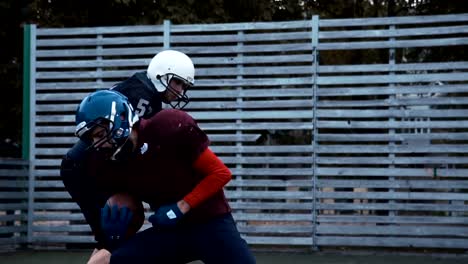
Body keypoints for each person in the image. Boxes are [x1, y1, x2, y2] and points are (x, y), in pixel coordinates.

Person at [72, 89, 255, 264]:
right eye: (92, 139)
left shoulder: (167, 127)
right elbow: (130, 210)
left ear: (120, 118)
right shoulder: (106, 162)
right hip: (171, 230)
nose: (97, 143)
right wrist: (116, 234)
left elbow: (221, 173)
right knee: (115, 259)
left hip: (210, 222)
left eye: (100, 134)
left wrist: (181, 207)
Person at [60, 50, 195, 253]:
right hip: (85, 167)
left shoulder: (143, 89)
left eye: (184, 85)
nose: (181, 89)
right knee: (117, 228)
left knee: (115, 234)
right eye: (178, 82)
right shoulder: (143, 96)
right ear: (162, 74)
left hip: (93, 163)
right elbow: (124, 143)